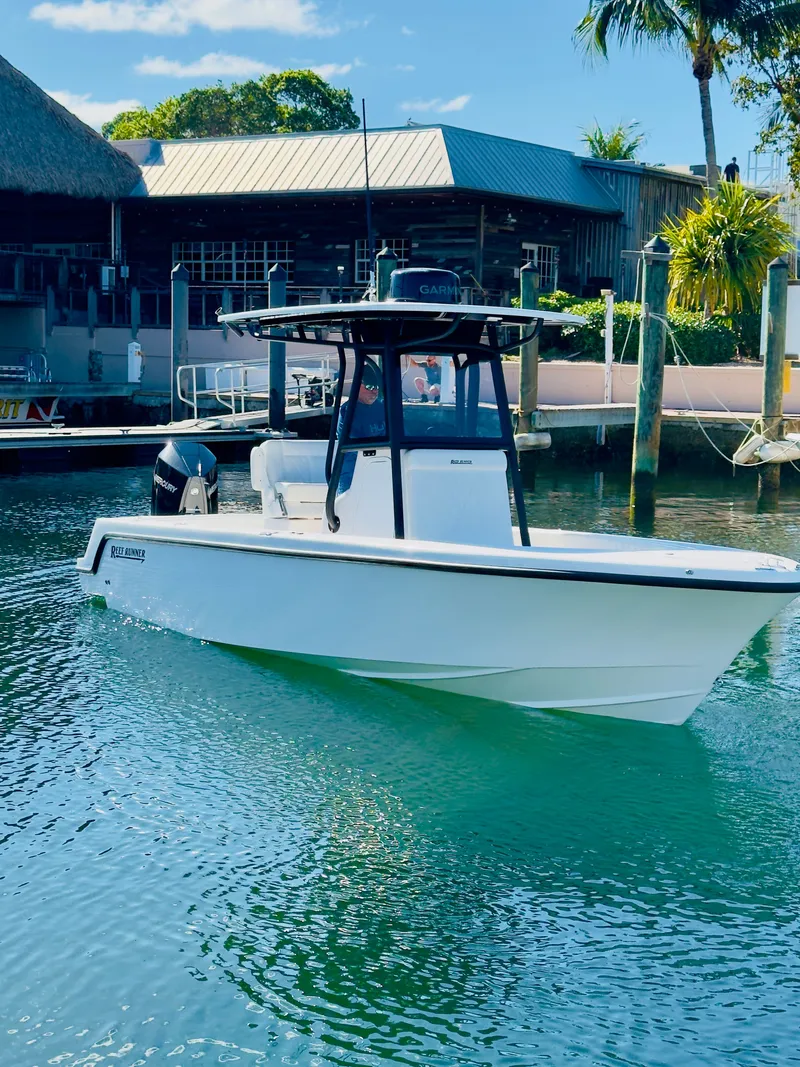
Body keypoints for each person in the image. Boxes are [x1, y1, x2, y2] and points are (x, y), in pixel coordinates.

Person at [335, 360, 385, 492]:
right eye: (369, 386)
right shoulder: (348, 411)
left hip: (381, 468)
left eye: (377, 387)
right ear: (357, 385)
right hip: (353, 473)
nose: (374, 391)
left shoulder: (383, 408)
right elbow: (355, 444)